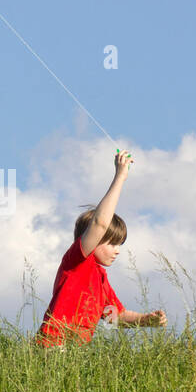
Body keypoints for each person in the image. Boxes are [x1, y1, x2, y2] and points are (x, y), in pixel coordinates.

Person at [35, 148, 167, 347]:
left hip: (73, 354)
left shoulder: (101, 281)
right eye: (112, 243)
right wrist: (120, 176)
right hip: (51, 347)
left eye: (119, 244)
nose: (117, 250)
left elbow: (116, 317)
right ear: (92, 239)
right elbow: (100, 224)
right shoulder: (76, 261)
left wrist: (146, 320)